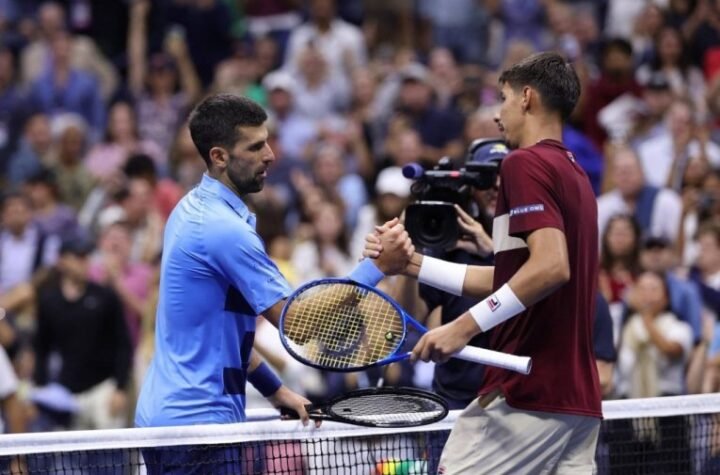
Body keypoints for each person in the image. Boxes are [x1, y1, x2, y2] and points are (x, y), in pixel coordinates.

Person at [134, 94, 410, 474]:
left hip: (177, 422)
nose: (270, 155)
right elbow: (294, 320)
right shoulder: (221, 230)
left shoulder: (193, 209)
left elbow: (222, 338)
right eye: (255, 146)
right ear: (219, 156)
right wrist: (377, 267)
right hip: (196, 431)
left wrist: (275, 390)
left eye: (267, 141)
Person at [366, 52, 601, 474]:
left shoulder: (523, 163)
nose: (497, 114)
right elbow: (515, 280)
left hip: (528, 395)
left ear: (527, 98)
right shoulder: (575, 172)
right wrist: (414, 264)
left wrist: (462, 327)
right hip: (578, 402)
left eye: (504, 98)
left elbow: (551, 268)